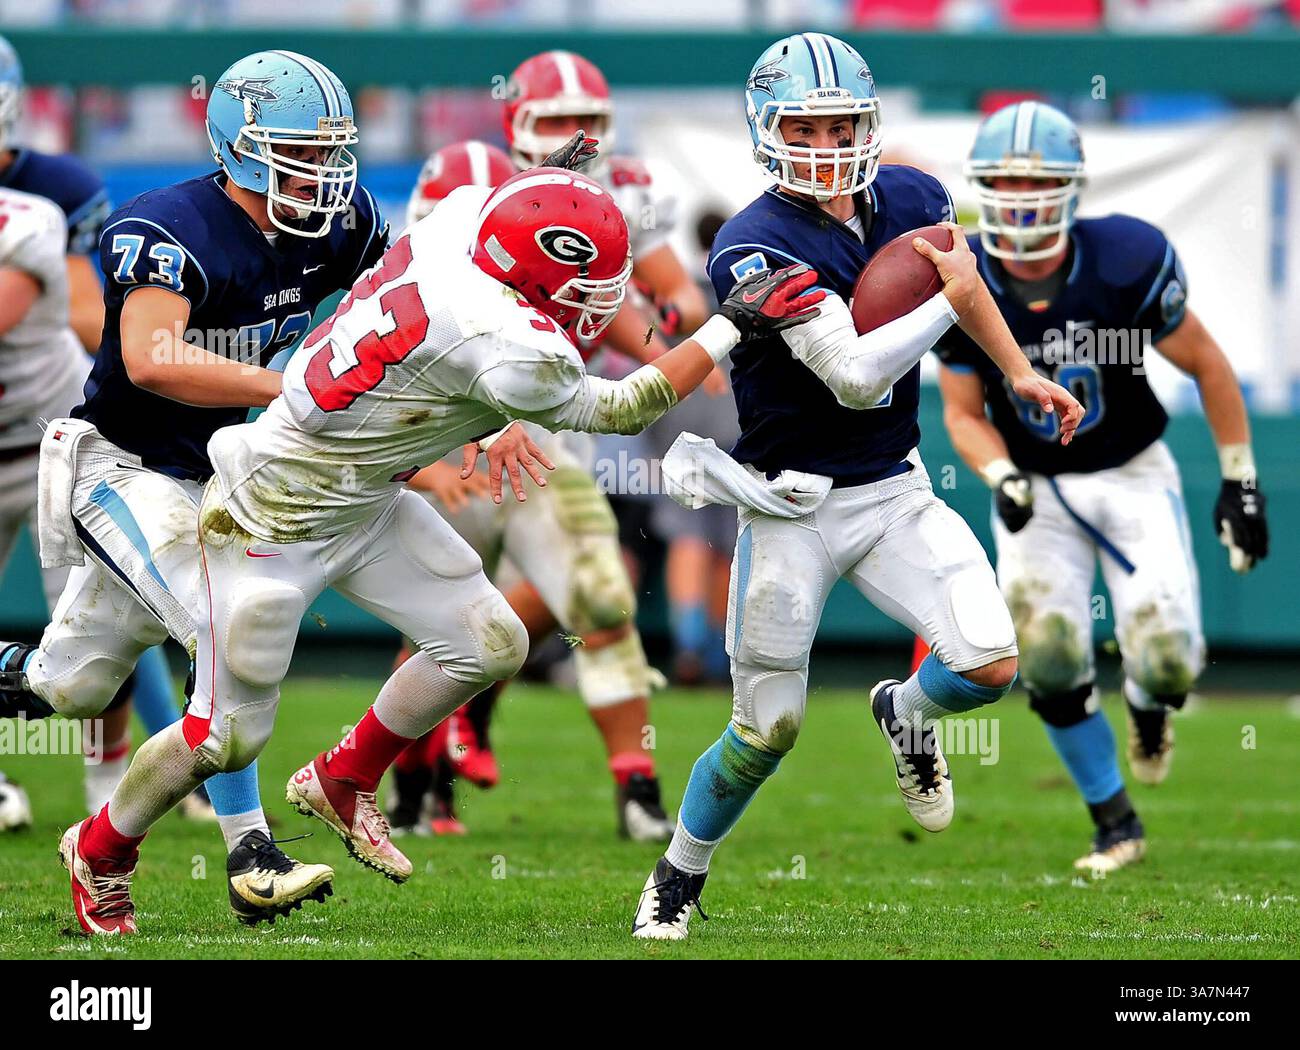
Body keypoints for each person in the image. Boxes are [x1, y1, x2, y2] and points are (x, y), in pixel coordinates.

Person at [53, 157, 824, 935]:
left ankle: (344, 776)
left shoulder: (460, 221)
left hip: (369, 492)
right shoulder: (509, 343)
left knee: (489, 642)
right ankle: (101, 849)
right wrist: (734, 324)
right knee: (224, 734)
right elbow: (627, 405)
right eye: (585, 288)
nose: (597, 306)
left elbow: (446, 319)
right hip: (270, 518)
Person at [630, 33, 1082, 941]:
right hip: (789, 503)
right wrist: (948, 301)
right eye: (809, 124)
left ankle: (905, 716)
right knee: (767, 730)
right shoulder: (751, 245)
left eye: (844, 123)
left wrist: (1017, 369)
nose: (830, 142)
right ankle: (678, 872)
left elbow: (962, 285)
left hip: (895, 488)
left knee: (990, 663)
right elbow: (856, 375)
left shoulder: (913, 196)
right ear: (767, 128)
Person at [0, 49, 389, 929]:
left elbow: (391, 314)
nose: (323, 173)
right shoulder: (167, 226)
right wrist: (291, 390)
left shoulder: (344, 223)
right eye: (300, 150)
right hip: (126, 468)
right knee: (227, 619)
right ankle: (248, 849)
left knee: (69, 688)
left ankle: (19, 683)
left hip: (220, 469)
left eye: (331, 151)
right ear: (239, 146)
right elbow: (152, 357)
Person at [935, 101, 1268, 873]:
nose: (1020, 199)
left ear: (1071, 188)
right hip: (1037, 487)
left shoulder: (1125, 259)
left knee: (1169, 659)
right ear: (981, 189)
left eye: (1036, 182)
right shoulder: (961, 275)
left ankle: (1151, 711)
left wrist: (1240, 482)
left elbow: (1210, 365)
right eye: (1004, 183)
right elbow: (960, 413)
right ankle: (1114, 819)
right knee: (1047, 654)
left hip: (1130, 471)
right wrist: (1002, 473)